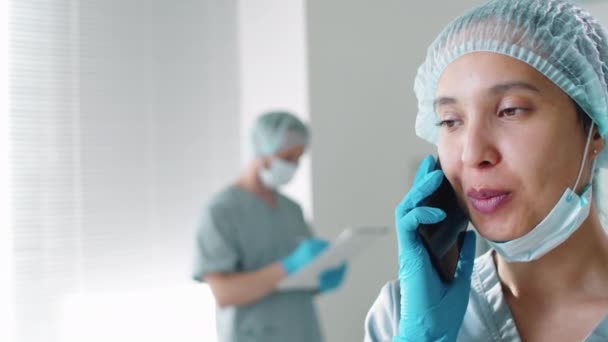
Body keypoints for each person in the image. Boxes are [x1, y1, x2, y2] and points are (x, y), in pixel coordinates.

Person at [364, 0, 608, 341]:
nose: (473, 154)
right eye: (450, 121)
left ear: (595, 127)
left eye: (510, 110)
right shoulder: (401, 316)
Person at [192, 111, 347, 342]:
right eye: (286, 157)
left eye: (298, 158)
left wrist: (321, 273)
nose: (293, 165)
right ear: (261, 150)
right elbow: (224, 293)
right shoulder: (221, 211)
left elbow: (301, 281)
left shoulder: (291, 209)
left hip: (303, 331)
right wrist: (288, 266)